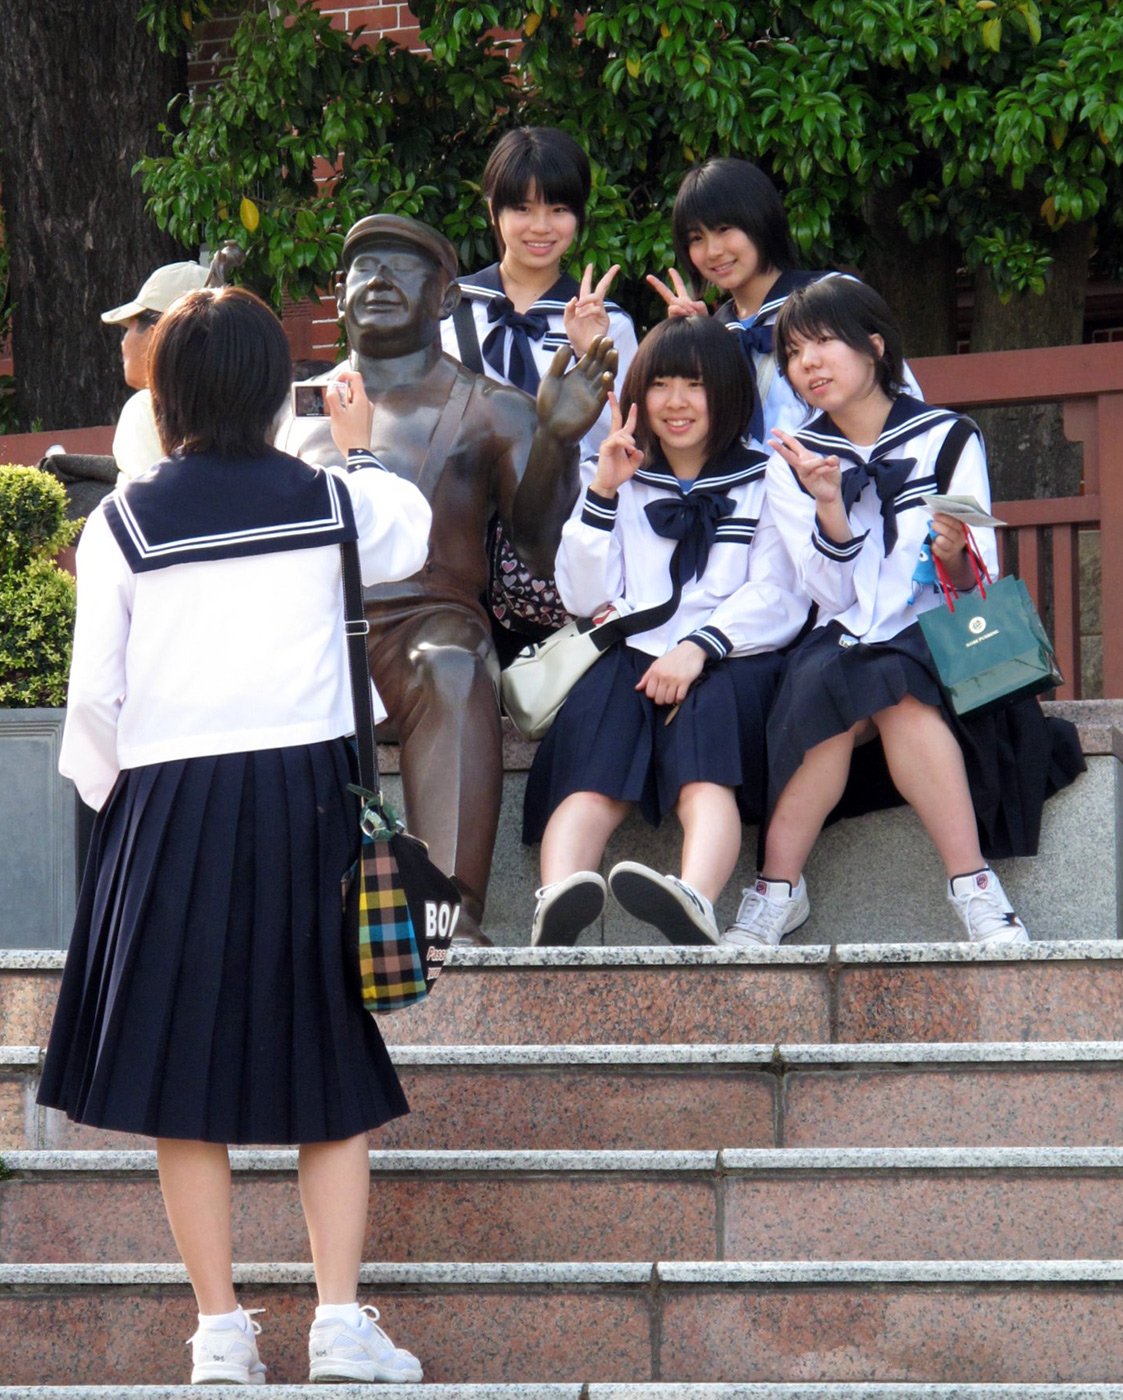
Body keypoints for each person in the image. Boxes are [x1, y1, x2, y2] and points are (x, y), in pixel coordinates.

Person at [37, 286, 433, 1385]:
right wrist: (359, 446)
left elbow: (94, 702)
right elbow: (407, 531)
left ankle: (219, 1334)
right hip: (308, 798)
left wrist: (121, 808)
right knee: (331, 1064)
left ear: (164, 394)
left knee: (181, 1075)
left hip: (167, 802)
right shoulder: (329, 496)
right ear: (273, 391)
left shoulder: (121, 521)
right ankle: (338, 1325)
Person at [276, 213, 614, 946]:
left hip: (425, 622)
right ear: (337, 293)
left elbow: (542, 547)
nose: (378, 280)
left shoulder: (492, 407)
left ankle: (447, 913)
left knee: (453, 665)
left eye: (402, 267)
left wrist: (556, 442)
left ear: (447, 298)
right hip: (309, 627)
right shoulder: (292, 411)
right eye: (363, 267)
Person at [721, 276, 1084, 949]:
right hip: (843, 632)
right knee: (836, 686)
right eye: (793, 353)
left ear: (874, 346)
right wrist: (829, 506)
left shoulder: (947, 437)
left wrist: (953, 554)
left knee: (894, 686)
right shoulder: (794, 457)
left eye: (824, 342)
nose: (808, 363)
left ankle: (796, 891)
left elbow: (976, 579)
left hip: (937, 634)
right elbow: (830, 597)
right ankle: (795, 893)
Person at [522, 316, 808, 946]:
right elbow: (584, 598)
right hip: (632, 653)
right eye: (660, 385)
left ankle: (694, 898)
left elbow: (781, 591)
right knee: (593, 767)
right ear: (638, 394)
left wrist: (700, 646)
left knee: (704, 769)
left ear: (728, 391)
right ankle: (557, 901)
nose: (676, 402)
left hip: (732, 655)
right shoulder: (617, 472)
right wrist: (603, 492)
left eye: (695, 385)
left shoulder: (767, 476)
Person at [440, 126, 639, 659]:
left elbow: (623, 442)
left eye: (559, 209)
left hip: (558, 550)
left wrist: (590, 353)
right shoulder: (448, 312)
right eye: (523, 208)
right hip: (457, 546)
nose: (541, 227)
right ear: (493, 211)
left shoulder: (610, 326)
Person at [647, 156, 920, 441]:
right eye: (696, 238)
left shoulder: (833, 298)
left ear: (760, 220)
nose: (713, 251)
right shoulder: (720, 329)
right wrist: (698, 343)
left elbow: (900, 398)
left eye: (724, 229)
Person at [100, 259, 210, 483]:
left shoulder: (146, 407)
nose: (123, 342)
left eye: (129, 326)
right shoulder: (256, 405)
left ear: (156, 337)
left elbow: (150, 499)